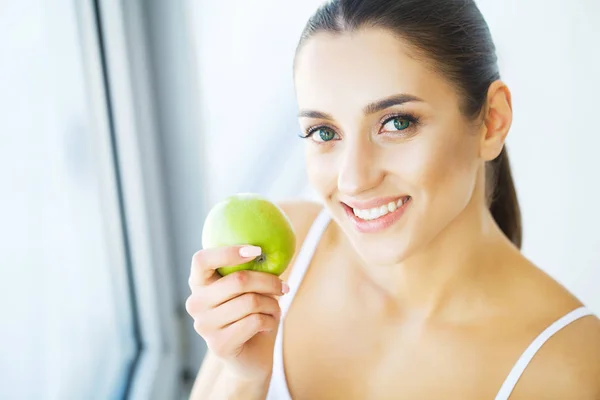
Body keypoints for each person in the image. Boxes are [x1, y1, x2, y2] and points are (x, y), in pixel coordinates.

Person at [185, 0, 600, 398]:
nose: (354, 180)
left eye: (397, 123)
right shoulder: (280, 262)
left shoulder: (573, 367)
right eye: (324, 133)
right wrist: (245, 377)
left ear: (492, 121)